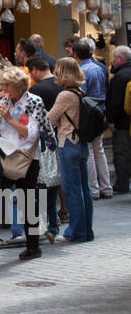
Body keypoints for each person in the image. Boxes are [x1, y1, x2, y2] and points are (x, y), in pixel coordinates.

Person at [0, 65, 47, 261]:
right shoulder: (3, 101)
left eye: (7, 85)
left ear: (19, 86)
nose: (3, 89)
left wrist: (9, 119)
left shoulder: (34, 102)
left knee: (27, 202)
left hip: (26, 159)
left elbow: (30, 133)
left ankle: (33, 246)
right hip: (3, 156)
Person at [48, 57, 94, 244]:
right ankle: (86, 230)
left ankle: (74, 232)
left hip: (68, 142)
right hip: (81, 143)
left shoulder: (65, 95)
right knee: (84, 189)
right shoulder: (80, 91)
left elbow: (50, 119)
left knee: (71, 189)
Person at [72, 38, 112, 199]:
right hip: (101, 109)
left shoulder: (82, 71)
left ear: (75, 54)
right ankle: (106, 187)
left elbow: (81, 93)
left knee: (89, 150)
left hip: (88, 112)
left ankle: (94, 189)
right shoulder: (100, 67)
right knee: (99, 149)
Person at [28, 55, 62, 240]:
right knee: (53, 184)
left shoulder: (35, 91)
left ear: (34, 69)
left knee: (41, 185)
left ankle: (45, 225)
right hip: (57, 140)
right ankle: (53, 225)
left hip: (40, 142)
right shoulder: (61, 85)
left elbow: (34, 121)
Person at [109, 45, 131, 194]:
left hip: (123, 122)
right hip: (127, 119)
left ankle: (122, 182)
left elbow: (117, 102)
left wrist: (111, 120)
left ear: (119, 58)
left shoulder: (120, 77)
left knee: (122, 153)